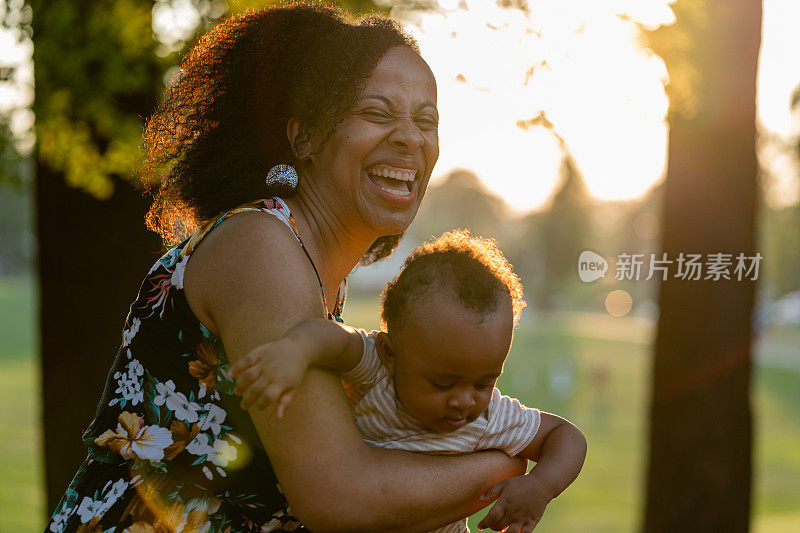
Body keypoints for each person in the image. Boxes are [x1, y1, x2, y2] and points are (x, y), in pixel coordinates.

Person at [45, 3, 527, 533]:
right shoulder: (262, 247)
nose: (410, 137)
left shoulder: (316, 273)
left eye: (426, 120)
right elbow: (338, 493)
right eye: (377, 113)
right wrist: (509, 463)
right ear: (304, 138)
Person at [231, 230, 588, 533]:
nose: (464, 400)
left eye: (483, 382)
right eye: (442, 383)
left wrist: (541, 486)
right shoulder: (376, 372)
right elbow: (334, 339)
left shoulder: (490, 418)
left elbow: (566, 437)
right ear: (390, 352)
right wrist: (295, 353)